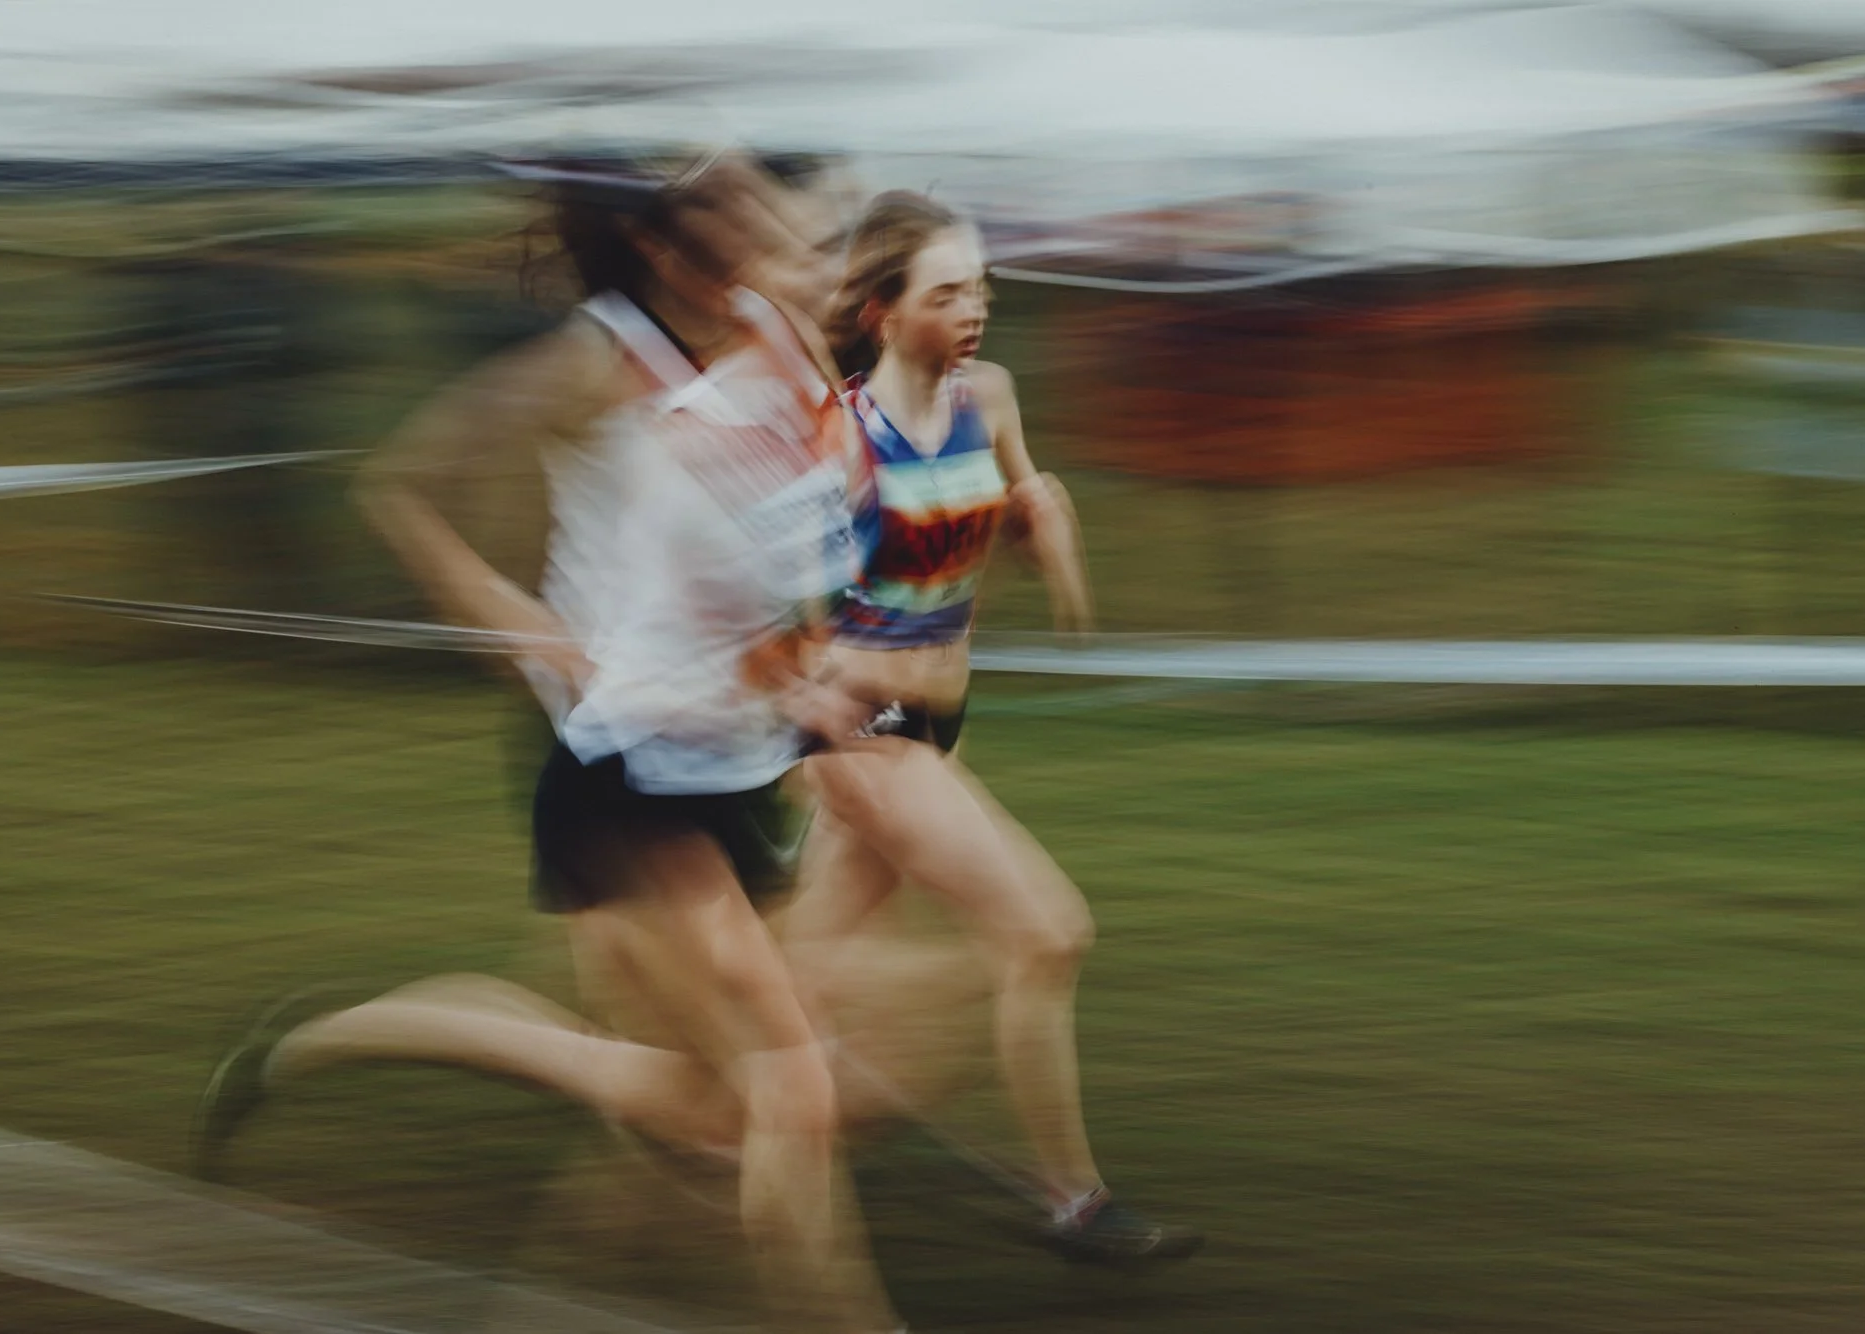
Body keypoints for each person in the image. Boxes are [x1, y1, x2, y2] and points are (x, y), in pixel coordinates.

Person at [195, 154, 904, 1334]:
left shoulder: (782, 352)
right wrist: (499, 603)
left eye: (806, 239)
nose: (805, 262)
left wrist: (818, 678)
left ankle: (323, 1042)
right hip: (622, 765)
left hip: (731, 761)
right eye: (772, 241)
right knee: (786, 1086)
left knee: (689, 1093)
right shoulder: (595, 358)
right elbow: (403, 483)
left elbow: (787, 565)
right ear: (675, 261)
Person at [780, 191, 1199, 1264]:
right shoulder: (838, 438)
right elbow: (788, 625)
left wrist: (1043, 536)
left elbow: (1008, 517)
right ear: (881, 309)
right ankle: (1074, 1202)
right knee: (1047, 928)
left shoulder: (991, 395)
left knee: (805, 963)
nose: (974, 309)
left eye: (982, 286)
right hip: (865, 726)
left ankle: (716, 1090)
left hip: (942, 718)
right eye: (946, 292)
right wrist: (817, 738)